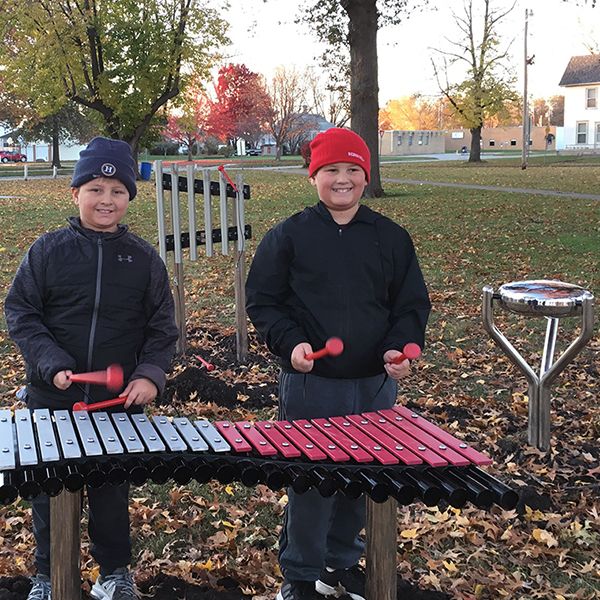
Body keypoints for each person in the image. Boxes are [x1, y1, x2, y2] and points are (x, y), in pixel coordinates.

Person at [245, 127, 431, 600]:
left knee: (360, 480)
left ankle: (341, 563)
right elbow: (264, 301)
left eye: (352, 170)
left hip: (373, 387)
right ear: (314, 176)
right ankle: (301, 575)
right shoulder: (289, 235)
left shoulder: (390, 238)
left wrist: (400, 346)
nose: (342, 179)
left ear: (365, 177)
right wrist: (289, 346)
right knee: (310, 481)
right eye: (331, 170)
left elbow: (410, 305)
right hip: (312, 386)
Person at [4, 137, 178, 600]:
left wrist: (148, 375)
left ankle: (114, 573)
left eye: (117, 191)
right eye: (96, 189)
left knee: (110, 491)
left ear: (128, 198)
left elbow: (163, 329)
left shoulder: (144, 260)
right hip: (53, 396)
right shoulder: (48, 251)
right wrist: (50, 362)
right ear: (76, 193)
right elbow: (21, 312)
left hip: (116, 403)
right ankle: (48, 574)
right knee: (49, 494)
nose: (106, 200)